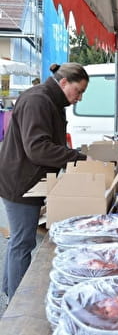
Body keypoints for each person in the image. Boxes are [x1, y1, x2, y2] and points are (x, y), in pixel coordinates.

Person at [0, 62, 90, 302]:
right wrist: (79, 158)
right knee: (23, 241)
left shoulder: (52, 100)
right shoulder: (38, 101)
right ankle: (17, 302)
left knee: (19, 240)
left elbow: (52, 143)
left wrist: (73, 155)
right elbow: (38, 149)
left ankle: (10, 291)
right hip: (21, 181)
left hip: (28, 178)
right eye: (78, 91)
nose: (79, 98)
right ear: (63, 83)